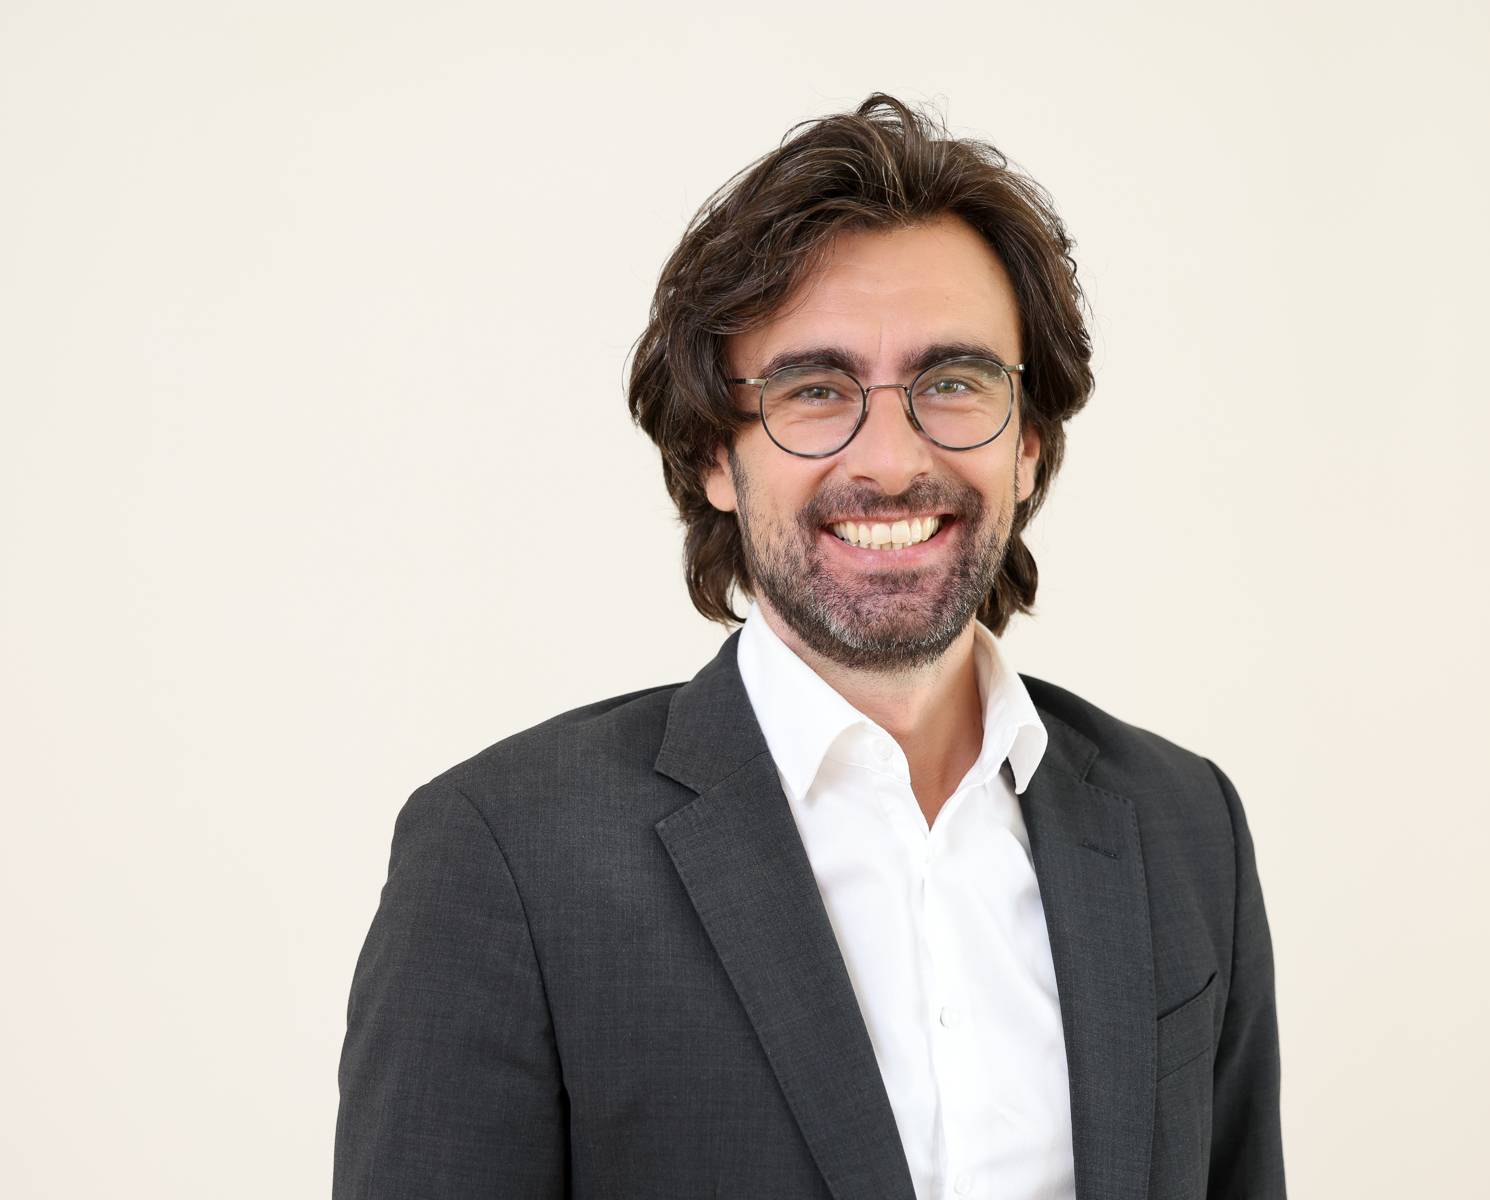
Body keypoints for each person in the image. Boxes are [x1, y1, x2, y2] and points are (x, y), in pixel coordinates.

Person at [334, 94, 1285, 1200]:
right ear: (713, 456)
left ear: (1028, 442)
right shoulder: (506, 858)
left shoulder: (1185, 827)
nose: (890, 460)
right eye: (815, 391)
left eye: (951, 383)